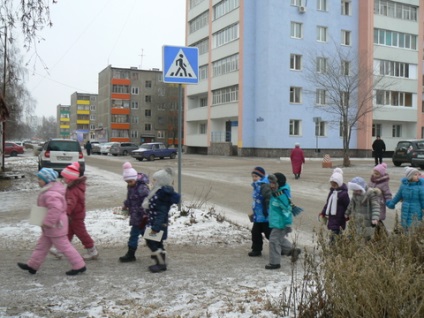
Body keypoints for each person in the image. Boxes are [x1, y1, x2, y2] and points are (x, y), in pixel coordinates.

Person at [17, 168, 86, 276]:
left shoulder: (51, 194)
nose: (38, 181)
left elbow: (56, 208)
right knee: (42, 246)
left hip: (55, 226)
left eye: (40, 179)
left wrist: (48, 222)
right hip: (50, 227)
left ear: (47, 180)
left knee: (64, 247)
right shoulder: (49, 191)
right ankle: (33, 265)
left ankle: (79, 265)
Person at [142, 167, 180, 273]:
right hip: (154, 221)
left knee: (151, 241)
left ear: (161, 181)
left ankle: (161, 263)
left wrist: (156, 227)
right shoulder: (158, 191)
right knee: (157, 242)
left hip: (158, 224)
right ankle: (160, 257)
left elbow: (162, 213)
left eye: (155, 180)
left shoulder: (162, 195)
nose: (153, 182)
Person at [61, 162, 98, 260]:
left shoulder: (73, 190)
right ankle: (61, 249)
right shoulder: (74, 187)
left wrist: (65, 213)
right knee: (67, 232)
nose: (63, 180)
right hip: (74, 216)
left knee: (81, 233)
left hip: (75, 216)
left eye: (65, 178)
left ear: (70, 179)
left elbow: (70, 203)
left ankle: (92, 250)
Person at [265, 173, 301, 270]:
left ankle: (274, 263)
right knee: (279, 239)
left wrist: (287, 224)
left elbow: (287, 210)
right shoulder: (275, 193)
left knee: (273, 240)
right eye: (270, 183)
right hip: (277, 222)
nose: (270, 185)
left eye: (273, 183)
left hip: (281, 224)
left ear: (278, 184)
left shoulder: (281, 195)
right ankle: (293, 251)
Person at [119, 162, 150, 262]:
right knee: (135, 234)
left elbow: (148, 201)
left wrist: (146, 213)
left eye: (130, 181)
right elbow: (130, 198)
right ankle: (131, 254)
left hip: (143, 217)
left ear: (135, 178)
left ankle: (158, 248)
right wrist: (126, 204)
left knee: (148, 235)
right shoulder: (130, 187)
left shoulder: (142, 188)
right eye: (127, 182)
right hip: (135, 217)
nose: (129, 183)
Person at [386, 167, 424, 231]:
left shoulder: (420, 188)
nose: (418, 176)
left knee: (414, 227)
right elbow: (398, 196)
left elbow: (423, 200)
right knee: (404, 225)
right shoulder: (403, 186)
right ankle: (406, 237)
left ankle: (413, 239)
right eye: (415, 175)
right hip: (405, 209)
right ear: (409, 176)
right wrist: (392, 203)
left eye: (418, 174)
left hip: (416, 210)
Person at [319, 169, 350, 242]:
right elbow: (327, 203)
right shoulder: (332, 192)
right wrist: (323, 212)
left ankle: (334, 245)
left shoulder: (344, 194)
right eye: (332, 184)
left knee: (336, 231)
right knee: (334, 231)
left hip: (340, 217)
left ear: (339, 183)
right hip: (332, 216)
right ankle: (338, 243)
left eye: (335, 184)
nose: (333, 186)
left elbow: (348, 205)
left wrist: (348, 214)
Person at [345, 177, 380, 241]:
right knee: (355, 234)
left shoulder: (370, 194)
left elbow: (376, 207)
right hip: (356, 219)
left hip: (366, 220)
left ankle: (366, 247)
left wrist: (375, 218)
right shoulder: (355, 195)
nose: (355, 192)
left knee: (366, 236)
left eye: (357, 190)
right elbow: (351, 204)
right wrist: (347, 213)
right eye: (354, 190)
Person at [248, 166, 272, 257]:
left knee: (269, 234)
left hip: (265, 216)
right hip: (258, 215)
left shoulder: (264, 185)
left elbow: (268, 198)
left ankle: (283, 247)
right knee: (255, 232)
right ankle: (256, 249)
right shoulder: (257, 185)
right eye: (253, 176)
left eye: (256, 176)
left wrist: (266, 209)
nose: (254, 178)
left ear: (261, 177)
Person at [368, 163, 392, 237]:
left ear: (381, 174)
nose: (375, 175)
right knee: (373, 219)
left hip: (379, 204)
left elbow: (387, 193)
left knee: (378, 219)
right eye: (374, 173)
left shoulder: (384, 183)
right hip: (371, 203)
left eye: (377, 174)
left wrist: (389, 201)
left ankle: (382, 235)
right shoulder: (372, 180)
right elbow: (367, 188)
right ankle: (379, 235)